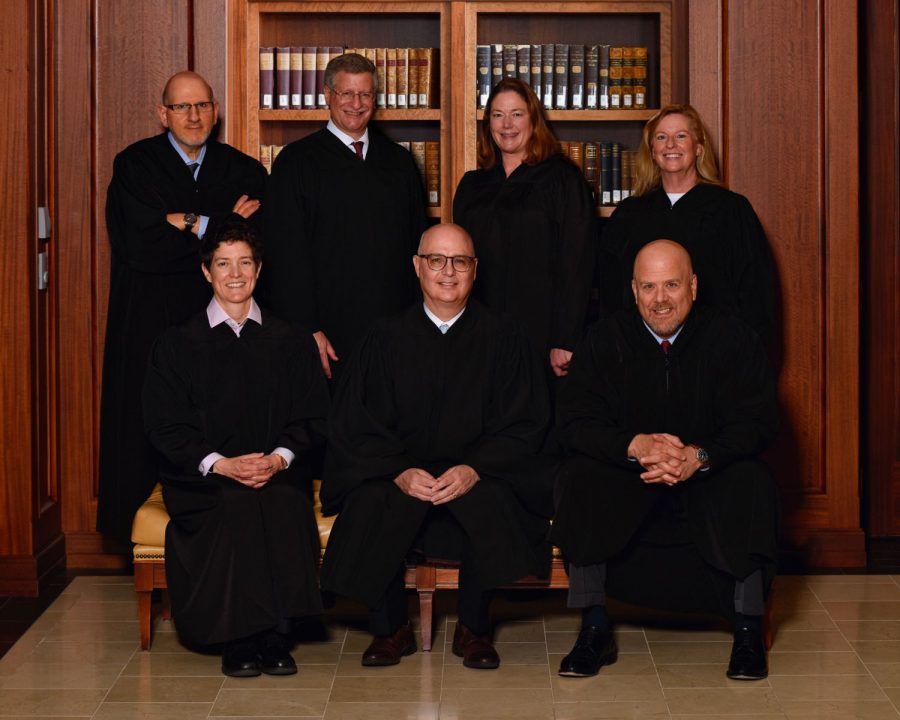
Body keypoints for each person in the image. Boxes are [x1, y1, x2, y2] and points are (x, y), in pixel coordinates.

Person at [319, 223, 554, 670]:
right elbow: (356, 423)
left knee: (492, 495)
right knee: (373, 496)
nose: (448, 271)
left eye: (460, 261)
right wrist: (399, 470)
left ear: (475, 269)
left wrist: (474, 468)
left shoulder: (506, 337)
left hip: (477, 471)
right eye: (436, 260)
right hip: (401, 473)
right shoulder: (383, 337)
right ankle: (390, 630)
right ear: (417, 266)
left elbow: (525, 423)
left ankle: (475, 629)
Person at [551, 239, 779, 681]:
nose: (660, 300)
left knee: (754, 481)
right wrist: (633, 446)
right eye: (650, 287)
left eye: (672, 285)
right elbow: (574, 422)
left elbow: (758, 422)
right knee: (578, 477)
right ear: (634, 290)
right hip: (629, 478)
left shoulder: (731, 337)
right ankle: (593, 627)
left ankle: (748, 628)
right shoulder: (604, 339)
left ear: (693, 286)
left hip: (708, 476)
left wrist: (700, 455)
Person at [142, 220, 330, 678]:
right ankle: (240, 638)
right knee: (233, 505)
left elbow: (315, 417)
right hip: (203, 478)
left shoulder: (289, 340)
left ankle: (275, 635)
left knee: (283, 502)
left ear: (259, 270)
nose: (234, 273)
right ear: (206, 271)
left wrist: (277, 458)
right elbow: (164, 426)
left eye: (245, 262)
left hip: (276, 470)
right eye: (223, 263)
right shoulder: (177, 343)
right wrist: (221, 464)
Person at [98, 71, 267, 540]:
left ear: (215, 111)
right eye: (181, 107)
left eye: (202, 106)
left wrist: (180, 222)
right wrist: (218, 223)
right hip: (148, 321)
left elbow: (250, 247)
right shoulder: (134, 165)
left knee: (221, 424)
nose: (193, 116)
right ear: (163, 114)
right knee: (150, 426)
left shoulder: (243, 170)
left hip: (220, 326)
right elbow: (138, 244)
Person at [264, 52, 427, 383]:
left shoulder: (399, 162)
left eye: (365, 94)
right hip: (328, 335)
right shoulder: (295, 162)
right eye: (347, 93)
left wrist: (417, 324)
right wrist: (307, 328)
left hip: (393, 330)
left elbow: (417, 246)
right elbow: (284, 255)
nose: (357, 103)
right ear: (327, 95)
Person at [453, 78, 596, 380]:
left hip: (541, 332)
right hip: (480, 329)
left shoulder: (563, 179)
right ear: (487, 122)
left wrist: (565, 339)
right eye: (497, 114)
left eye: (517, 114)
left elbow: (578, 262)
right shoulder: (472, 185)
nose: (507, 124)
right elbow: (457, 263)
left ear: (533, 119)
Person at [599, 104, 776, 345]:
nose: (670, 144)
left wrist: (750, 356)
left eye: (681, 136)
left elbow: (756, 291)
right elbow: (611, 291)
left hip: (716, 351)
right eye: (661, 137)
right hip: (641, 352)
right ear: (652, 151)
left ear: (699, 147)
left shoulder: (731, 210)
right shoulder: (629, 214)